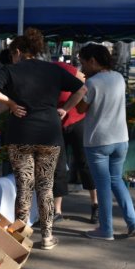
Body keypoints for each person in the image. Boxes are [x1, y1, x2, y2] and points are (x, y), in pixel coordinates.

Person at [0, 28, 86, 250]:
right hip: (50, 134)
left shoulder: (11, 71)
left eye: (12, 53)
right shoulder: (52, 70)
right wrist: (65, 109)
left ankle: (19, 236)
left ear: (18, 51)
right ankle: (47, 237)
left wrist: (8, 105)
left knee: (24, 186)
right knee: (45, 187)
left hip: (21, 135)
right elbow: (82, 88)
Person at [77, 43, 135, 241]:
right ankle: (133, 222)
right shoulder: (119, 78)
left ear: (93, 61)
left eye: (83, 63)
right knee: (116, 181)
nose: (82, 68)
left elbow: (80, 109)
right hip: (121, 138)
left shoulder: (92, 84)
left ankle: (106, 229)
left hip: (98, 141)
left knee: (103, 185)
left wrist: (81, 85)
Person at [52, 61, 98, 224]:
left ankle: (95, 205)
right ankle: (57, 210)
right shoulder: (36, 76)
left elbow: (82, 81)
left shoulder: (60, 67)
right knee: (58, 166)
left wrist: (67, 106)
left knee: (84, 162)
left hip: (77, 122)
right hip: (57, 125)